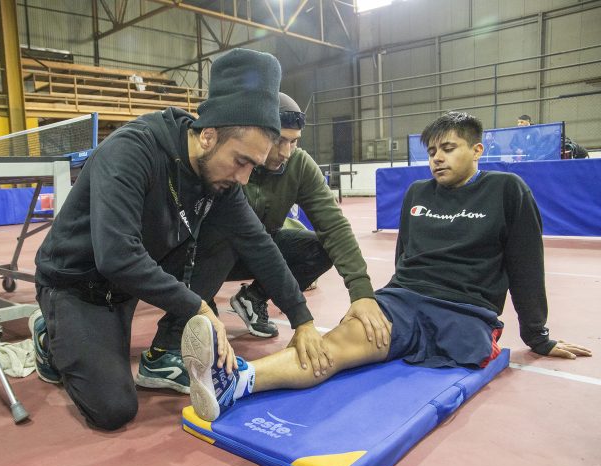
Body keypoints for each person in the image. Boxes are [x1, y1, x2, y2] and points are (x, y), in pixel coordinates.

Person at [183, 110, 593, 422]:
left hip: (463, 311)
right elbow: (405, 262)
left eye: (449, 149)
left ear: (477, 150)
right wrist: (374, 302)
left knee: (389, 347)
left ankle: (238, 377)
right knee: (333, 348)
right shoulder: (417, 192)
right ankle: (236, 381)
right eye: (431, 151)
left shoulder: (507, 191)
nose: (437, 159)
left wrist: (538, 336)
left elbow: (526, 266)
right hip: (404, 301)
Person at [29, 48, 326, 431]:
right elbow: (116, 256)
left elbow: (259, 244)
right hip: (78, 283)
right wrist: (198, 308)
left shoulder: (220, 178)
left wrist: (302, 320)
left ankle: (164, 349)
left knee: (233, 233)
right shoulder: (130, 151)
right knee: (113, 409)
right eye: (241, 161)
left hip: (128, 284)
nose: (244, 178)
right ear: (208, 136)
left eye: (253, 165)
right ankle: (50, 333)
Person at [216, 92, 390, 344]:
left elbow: (334, 226)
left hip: (262, 251)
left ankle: (253, 298)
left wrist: (362, 292)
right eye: (279, 141)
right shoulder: (231, 156)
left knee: (318, 248)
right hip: (214, 254)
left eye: (294, 142)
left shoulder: (299, 165)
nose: (286, 152)